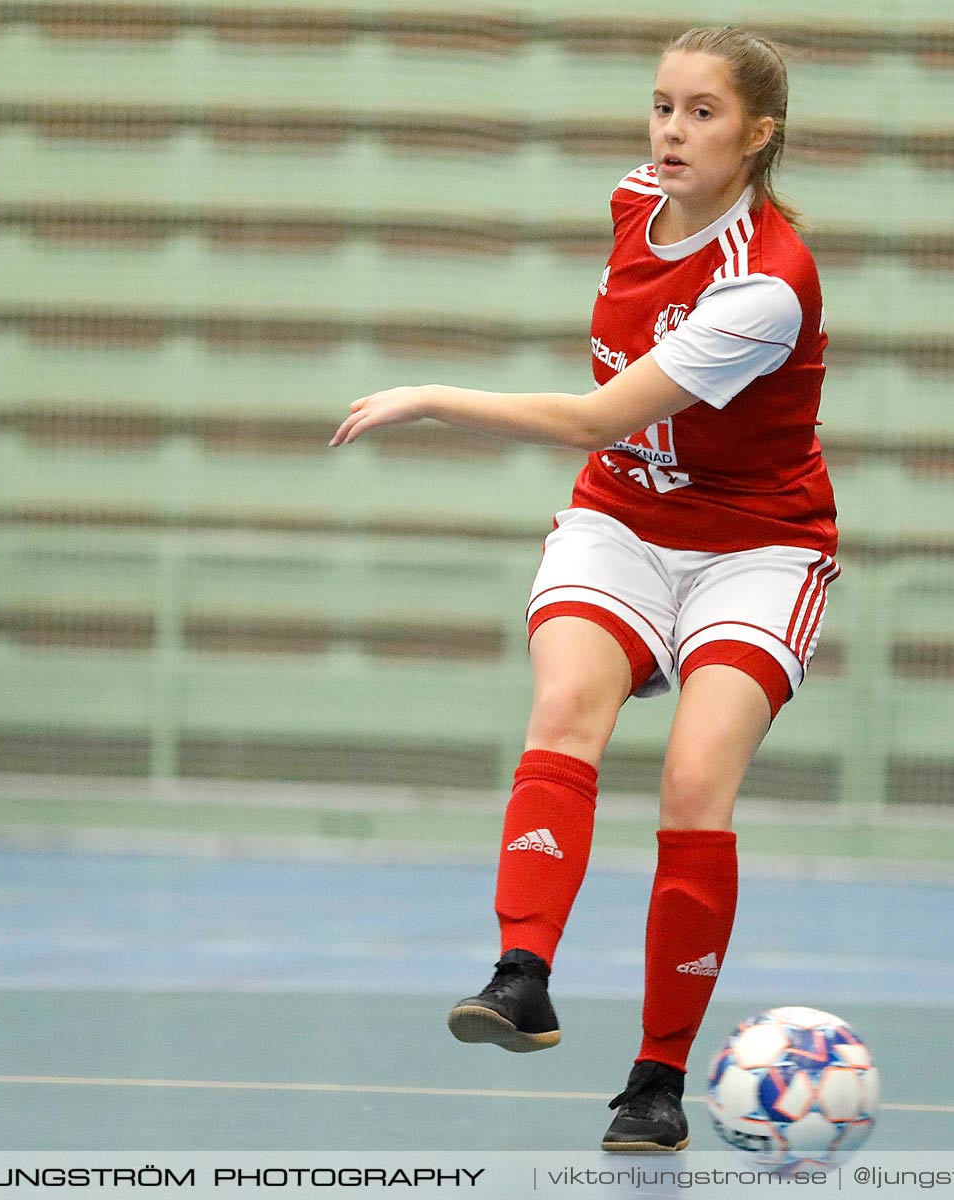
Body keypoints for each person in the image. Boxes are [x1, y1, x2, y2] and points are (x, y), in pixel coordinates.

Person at [329, 26, 837, 1152]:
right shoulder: (632, 201)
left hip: (753, 547)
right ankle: (520, 977)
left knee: (693, 781)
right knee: (564, 709)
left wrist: (424, 394)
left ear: (758, 134)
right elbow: (612, 451)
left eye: (702, 112)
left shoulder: (765, 282)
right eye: (662, 105)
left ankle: (653, 1084)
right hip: (622, 518)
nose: (670, 130)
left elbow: (593, 416)